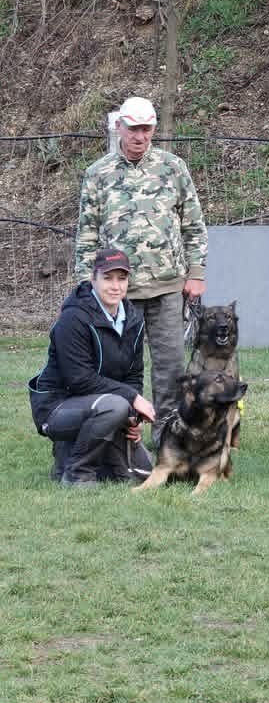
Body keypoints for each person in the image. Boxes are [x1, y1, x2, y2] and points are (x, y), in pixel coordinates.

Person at [74, 95, 207, 410]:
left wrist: (196, 273)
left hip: (168, 287)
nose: (139, 136)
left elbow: (193, 224)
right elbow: (87, 233)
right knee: (117, 368)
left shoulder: (173, 168)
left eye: (146, 129)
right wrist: (85, 283)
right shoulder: (98, 173)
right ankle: (120, 431)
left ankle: (168, 433)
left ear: (154, 129)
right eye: (133, 129)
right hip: (117, 292)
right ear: (119, 127)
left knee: (171, 370)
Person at [28, 247, 155, 486]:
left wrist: (132, 418)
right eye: (107, 278)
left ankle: (69, 452)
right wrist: (132, 399)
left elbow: (134, 375)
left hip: (106, 404)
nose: (115, 286)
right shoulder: (73, 318)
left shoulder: (134, 318)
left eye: (122, 278)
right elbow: (79, 379)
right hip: (57, 408)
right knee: (115, 406)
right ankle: (77, 472)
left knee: (142, 473)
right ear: (93, 279)